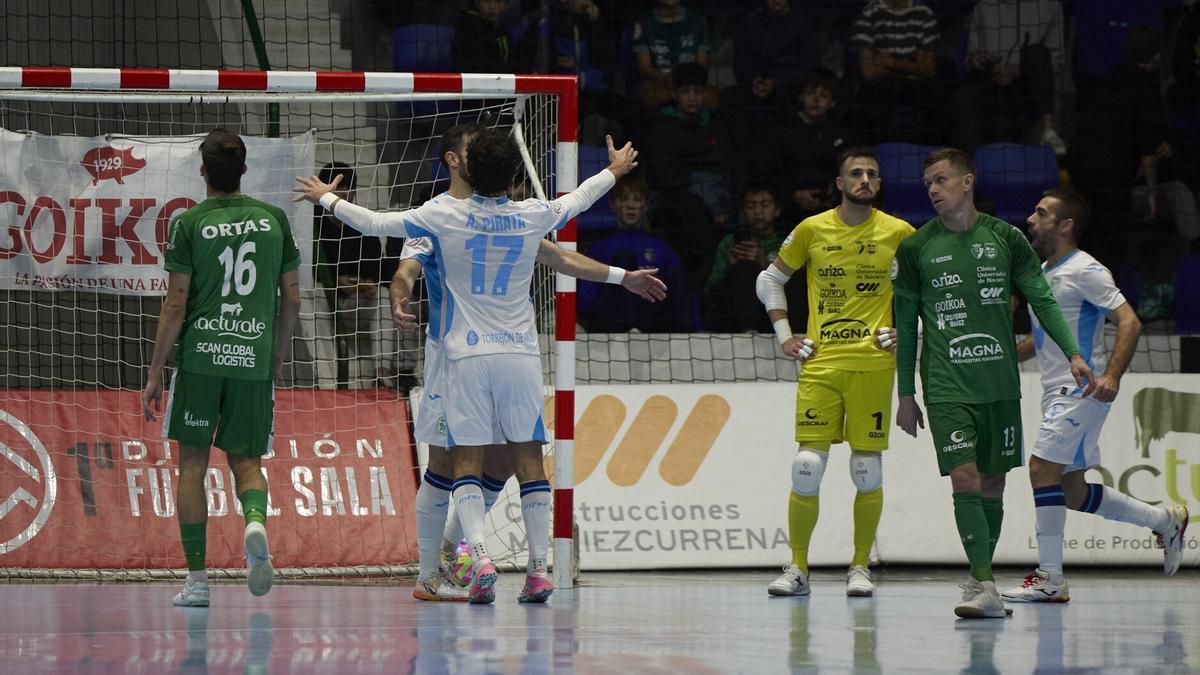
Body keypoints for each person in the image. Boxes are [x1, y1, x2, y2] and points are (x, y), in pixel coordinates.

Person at [295, 130, 640, 604]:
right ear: (512, 174)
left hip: (467, 357)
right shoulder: (529, 215)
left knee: (471, 463)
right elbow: (577, 201)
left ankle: (474, 557)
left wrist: (327, 198)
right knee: (521, 462)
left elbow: (373, 222)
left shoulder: (439, 215)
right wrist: (614, 171)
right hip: (514, 355)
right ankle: (530, 570)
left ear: (467, 167)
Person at [387, 124, 666, 601]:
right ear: (455, 160)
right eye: (472, 146)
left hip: (490, 355)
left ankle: (461, 552)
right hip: (450, 358)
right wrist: (400, 295)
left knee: (497, 463)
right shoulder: (438, 216)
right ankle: (430, 574)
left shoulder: (505, 217)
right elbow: (406, 269)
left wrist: (621, 277)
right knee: (446, 463)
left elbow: (560, 258)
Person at [892, 148, 1094, 618]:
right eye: (928, 183)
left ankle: (982, 581)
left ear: (967, 181)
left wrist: (1073, 353)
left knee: (993, 483)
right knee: (964, 477)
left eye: (941, 180)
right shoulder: (916, 247)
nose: (933, 189)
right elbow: (905, 326)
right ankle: (982, 583)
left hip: (999, 382)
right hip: (945, 383)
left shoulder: (1006, 239)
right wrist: (905, 393)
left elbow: (1042, 299)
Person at [1000, 189, 1189, 603]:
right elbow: (1043, 338)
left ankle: (1050, 579)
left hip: (1081, 389)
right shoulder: (1041, 271)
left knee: (1040, 469)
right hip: (1055, 390)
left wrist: (1112, 377)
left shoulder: (1086, 269)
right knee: (1071, 490)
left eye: (1041, 213)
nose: (1030, 219)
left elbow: (1130, 322)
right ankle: (1164, 520)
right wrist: (1005, 358)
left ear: (1065, 225)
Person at [142, 128, 301, 607]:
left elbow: (175, 302)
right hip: (252, 358)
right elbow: (293, 297)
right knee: (247, 463)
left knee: (192, 466)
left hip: (201, 361)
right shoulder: (274, 219)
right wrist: (276, 355)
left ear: (203, 171)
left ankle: (197, 581)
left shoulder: (190, 223)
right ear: (244, 170)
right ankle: (254, 522)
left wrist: (154, 372)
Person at [755, 147, 914, 598]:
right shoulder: (812, 228)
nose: (865, 180)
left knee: (867, 470)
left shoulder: (900, 232)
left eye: (872, 174)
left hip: (873, 366)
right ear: (840, 183)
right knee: (806, 467)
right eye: (856, 173)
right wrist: (785, 335)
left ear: (879, 184)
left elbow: (929, 289)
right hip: (821, 363)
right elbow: (769, 279)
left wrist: (909, 329)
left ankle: (860, 566)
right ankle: (798, 567)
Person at [577, 174, 690, 332]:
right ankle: (629, 327)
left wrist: (694, 328)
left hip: (653, 321)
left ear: (646, 206)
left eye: (637, 199)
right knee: (623, 259)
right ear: (613, 205)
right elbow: (587, 298)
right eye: (624, 199)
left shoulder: (661, 247)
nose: (631, 205)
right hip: (613, 322)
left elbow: (680, 290)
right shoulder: (601, 247)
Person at [314, 162, 388, 380]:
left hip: (356, 302)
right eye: (339, 187)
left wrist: (369, 283)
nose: (344, 193)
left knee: (384, 296)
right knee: (314, 292)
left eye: (349, 187)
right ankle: (326, 377)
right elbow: (306, 267)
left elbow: (377, 266)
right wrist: (336, 282)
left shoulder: (363, 223)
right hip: (325, 301)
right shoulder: (312, 224)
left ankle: (383, 373)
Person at [707, 179, 792, 332]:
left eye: (765, 205)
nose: (758, 212)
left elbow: (797, 287)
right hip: (735, 315)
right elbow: (711, 290)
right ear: (743, 211)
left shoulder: (788, 243)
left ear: (777, 209)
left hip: (780, 312)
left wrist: (764, 265)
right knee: (744, 268)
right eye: (750, 206)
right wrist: (733, 269)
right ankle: (748, 331)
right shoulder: (730, 243)